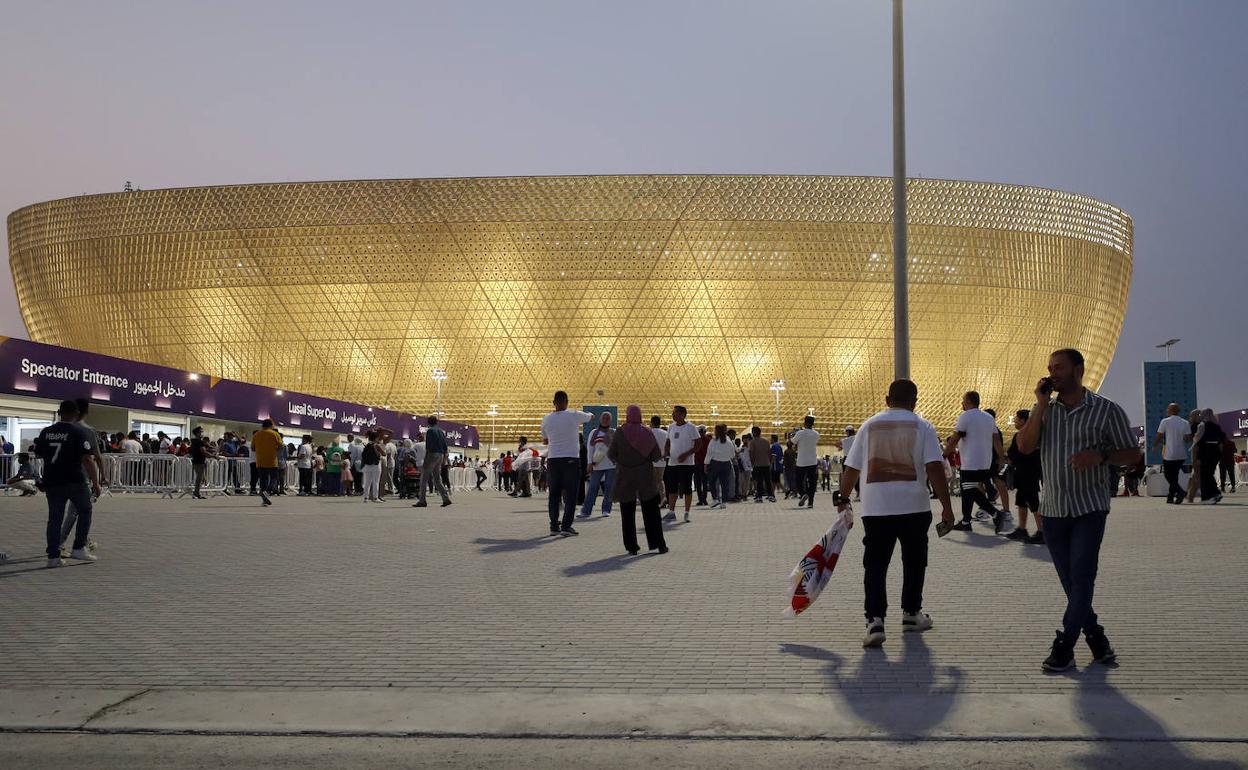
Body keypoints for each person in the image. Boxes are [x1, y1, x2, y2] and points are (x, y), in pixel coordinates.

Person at [1015, 348, 1138, 672]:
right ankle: (1097, 639)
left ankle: (1064, 646)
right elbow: (1025, 447)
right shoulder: (1046, 410)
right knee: (1072, 582)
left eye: (1059, 368)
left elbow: (1132, 454)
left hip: (1089, 507)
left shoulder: (1106, 410)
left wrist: (1099, 457)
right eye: (1050, 368)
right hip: (1053, 509)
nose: (1052, 373)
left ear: (1078, 370)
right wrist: (1040, 407)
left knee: (1082, 576)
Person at [837, 379, 954, 648]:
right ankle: (912, 614)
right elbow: (935, 468)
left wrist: (843, 499)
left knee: (875, 565)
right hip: (914, 507)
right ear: (915, 402)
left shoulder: (868, 426)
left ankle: (875, 620)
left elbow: (851, 468)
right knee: (914, 562)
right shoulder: (923, 426)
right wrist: (946, 506)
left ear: (887, 399)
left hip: (876, 509)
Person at [34, 400, 102, 568]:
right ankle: (79, 547)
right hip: (74, 480)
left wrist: (40, 478)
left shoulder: (46, 432)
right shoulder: (78, 432)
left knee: (54, 518)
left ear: (59, 412)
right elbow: (87, 459)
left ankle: (53, 556)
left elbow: (38, 456)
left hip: (53, 481)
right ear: (76, 413)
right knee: (85, 510)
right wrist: (96, 482)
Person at [609, 405, 668, 555]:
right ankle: (658, 544)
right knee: (652, 512)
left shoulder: (620, 433)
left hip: (625, 476)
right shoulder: (647, 432)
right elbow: (655, 456)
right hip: (645, 476)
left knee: (627, 513)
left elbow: (611, 454)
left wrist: (622, 462)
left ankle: (632, 546)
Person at [946, 391, 1004, 533]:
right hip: (985, 461)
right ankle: (966, 521)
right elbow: (996, 439)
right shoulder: (988, 417)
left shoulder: (965, 416)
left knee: (969, 489)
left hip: (970, 461)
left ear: (969, 401)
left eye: (963, 400)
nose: (962, 403)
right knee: (968, 490)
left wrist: (945, 453)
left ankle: (996, 513)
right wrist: (1001, 457)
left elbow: (955, 437)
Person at [541, 391, 593, 536]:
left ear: (553, 402)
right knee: (571, 495)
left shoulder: (546, 419)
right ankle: (566, 526)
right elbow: (591, 417)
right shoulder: (574, 415)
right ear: (567, 401)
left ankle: (553, 526)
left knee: (554, 495)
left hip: (553, 460)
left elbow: (545, 441)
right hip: (570, 459)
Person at [1005, 409, 1045, 544]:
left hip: (1025, 473)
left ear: (1023, 421)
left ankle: (1042, 532)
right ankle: (1022, 529)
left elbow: (1012, 456)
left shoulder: (1021, 435)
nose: (1014, 421)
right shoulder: (1038, 435)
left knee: (1033, 502)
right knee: (1021, 501)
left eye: (1016, 419)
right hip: (1032, 472)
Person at [662, 406, 699, 522]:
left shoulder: (691, 427)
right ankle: (671, 511)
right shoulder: (671, 427)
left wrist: (686, 454)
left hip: (687, 464)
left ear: (682, 415)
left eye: (675, 413)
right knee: (672, 488)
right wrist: (666, 451)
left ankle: (687, 512)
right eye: (673, 413)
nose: (673, 415)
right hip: (673, 463)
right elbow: (668, 441)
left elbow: (698, 444)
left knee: (687, 488)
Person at [1152, 403, 1191, 504]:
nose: (1166, 411)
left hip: (1170, 454)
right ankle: (1170, 497)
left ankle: (1180, 492)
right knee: (1174, 476)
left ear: (1171, 410)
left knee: (1168, 475)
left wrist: (1155, 445)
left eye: (1167, 409)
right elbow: (1187, 439)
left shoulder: (1165, 421)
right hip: (1181, 454)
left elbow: (1159, 435)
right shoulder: (1185, 422)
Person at [579, 411, 616, 518]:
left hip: (611, 465)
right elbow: (590, 449)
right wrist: (589, 463)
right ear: (600, 419)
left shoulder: (614, 432)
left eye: (607, 418)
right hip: (597, 465)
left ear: (610, 420)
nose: (605, 420)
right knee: (592, 488)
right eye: (603, 418)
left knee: (609, 488)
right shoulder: (594, 432)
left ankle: (606, 509)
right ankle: (586, 511)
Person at [414, 418, 452, 508]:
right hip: (440, 455)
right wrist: (444, 459)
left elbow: (429, 446)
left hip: (432, 454)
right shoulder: (440, 431)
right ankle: (445, 498)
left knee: (424, 478)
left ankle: (422, 500)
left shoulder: (430, 431)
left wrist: (426, 460)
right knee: (437, 478)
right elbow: (445, 446)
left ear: (428, 422)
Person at [1191, 409, 1226, 504]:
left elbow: (1198, 441)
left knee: (1205, 475)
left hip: (1205, 453)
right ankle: (1215, 493)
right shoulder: (1216, 426)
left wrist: (1198, 457)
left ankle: (1207, 497)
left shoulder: (1202, 426)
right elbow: (1223, 438)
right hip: (1215, 453)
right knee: (1209, 474)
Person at [251, 420, 283, 506]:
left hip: (260, 461)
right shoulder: (275, 434)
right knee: (274, 478)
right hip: (272, 461)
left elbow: (253, 448)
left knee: (263, 480)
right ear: (270, 425)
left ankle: (264, 499)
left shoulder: (256, 434)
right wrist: (275, 450)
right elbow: (281, 446)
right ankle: (267, 492)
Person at [791, 415, 821, 508]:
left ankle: (803, 493)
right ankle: (810, 503)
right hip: (812, 461)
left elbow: (792, 442)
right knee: (812, 483)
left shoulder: (800, 433)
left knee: (799, 480)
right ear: (813, 424)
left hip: (801, 462)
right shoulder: (816, 434)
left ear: (805, 423)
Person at [703, 423, 736, 509]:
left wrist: (706, 464)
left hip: (715, 464)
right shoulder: (729, 441)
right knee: (725, 483)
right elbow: (732, 455)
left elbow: (709, 453)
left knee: (712, 482)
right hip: (726, 464)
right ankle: (724, 502)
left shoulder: (713, 441)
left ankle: (715, 499)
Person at [748, 426, 775, 502]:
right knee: (768, 481)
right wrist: (769, 462)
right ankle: (771, 496)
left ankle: (759, 497)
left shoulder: (752, 442)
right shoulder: (766, 441)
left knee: (759, 481)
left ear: (754, 432)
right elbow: (769, 453)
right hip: (766, 464)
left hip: (757, 464)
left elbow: (751, 453)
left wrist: (752, 462)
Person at [189, 426, 216, 499]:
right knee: (199, 478)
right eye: (200, 432)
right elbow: (203, 452)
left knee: (201, 479)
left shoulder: (194, 442)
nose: (202, 433)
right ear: (197, 433)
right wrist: (214, 456)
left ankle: (197, 493)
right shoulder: (199, 442)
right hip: (199, 462)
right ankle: (196, 493)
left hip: (197, 461)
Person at [360, 430, 383, 502]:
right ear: (376, 438)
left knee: (367, 482)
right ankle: (375, 497)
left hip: (367, 465)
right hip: (376, 465)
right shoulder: (376, 445)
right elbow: (383, 453)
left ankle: (365, 498)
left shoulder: (366, 445)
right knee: (376, 482)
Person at [650, 415, 668, 502]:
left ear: (652, 423)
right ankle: (663, 497)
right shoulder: (665, 433)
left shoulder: (648, 432)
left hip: (650, 460)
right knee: (660, 480)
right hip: (662, 459)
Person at [693, 425, 711, 507]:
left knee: (699, 482)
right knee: (703, 482)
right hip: (704, 464)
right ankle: (703, 499)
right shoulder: (708, 440)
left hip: (699, 464)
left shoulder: (696, 441)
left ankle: (701, 499)